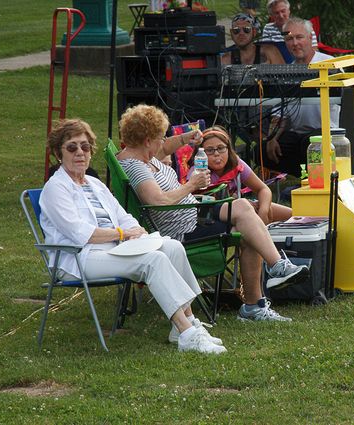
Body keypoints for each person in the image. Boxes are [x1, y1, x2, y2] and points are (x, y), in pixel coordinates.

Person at [40, 118, 226, 354]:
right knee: (153, 260)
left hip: (112, 248)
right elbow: (80, 234)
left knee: (172, 248)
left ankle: (184, 326)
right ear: (59, 153)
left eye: (85, 147)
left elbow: (122, 215)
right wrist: (122, 233)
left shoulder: (95, 184)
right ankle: (187, 332)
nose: (80, 153)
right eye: (72, 147)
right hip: (78, 258)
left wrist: (138, 232)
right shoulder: (56, 188)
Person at [116, 104, 309, 322]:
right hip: (182, 229)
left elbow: (166, 149)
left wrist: (185, 138)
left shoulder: (142, 156)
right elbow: (157, 201)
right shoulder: (137, 167)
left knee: (246, 214)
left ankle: (270, 280)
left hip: (194, 213)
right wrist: (191, 185)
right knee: (247, 220)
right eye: (160, 137)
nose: (163, 142)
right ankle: (268, 284)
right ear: (147, 140)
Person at [263, 17, 340, 177]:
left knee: (311, 143)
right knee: (262, 149)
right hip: (298, 134)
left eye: (299, 37)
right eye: (289, 39)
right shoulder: (287, 72)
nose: (295, 43)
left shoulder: (330, 64)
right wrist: (271, 138)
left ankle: (313, 180)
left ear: (310, 38)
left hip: (328, 132)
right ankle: (301, 177)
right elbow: (279, 114)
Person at [188, 126, 292, 224]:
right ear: (200, 154)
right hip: (214, 218)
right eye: (209, 150)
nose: (216, 153)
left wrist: (263, 211)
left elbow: (263, 189)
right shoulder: (198, 172)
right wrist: (240, 204)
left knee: (295, 215)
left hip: (241, 207)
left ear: (228, 149)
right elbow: (199, 208)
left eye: (221, 148)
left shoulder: (235, 163)